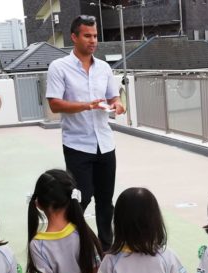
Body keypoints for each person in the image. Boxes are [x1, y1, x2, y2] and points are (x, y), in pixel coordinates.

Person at [46, 15, 125, 252]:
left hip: (105, 143)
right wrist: (86, 105)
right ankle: (77, 244)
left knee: (105, 200)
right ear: (74, 37)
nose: (93, 41)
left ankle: (106, 247)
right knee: (81, 198)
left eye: (95, 36)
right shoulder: (59, 67)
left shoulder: (104, 68)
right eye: (87, 36)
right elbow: (55, 105)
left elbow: (114, 96)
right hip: (77, 144)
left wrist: (118, 104)